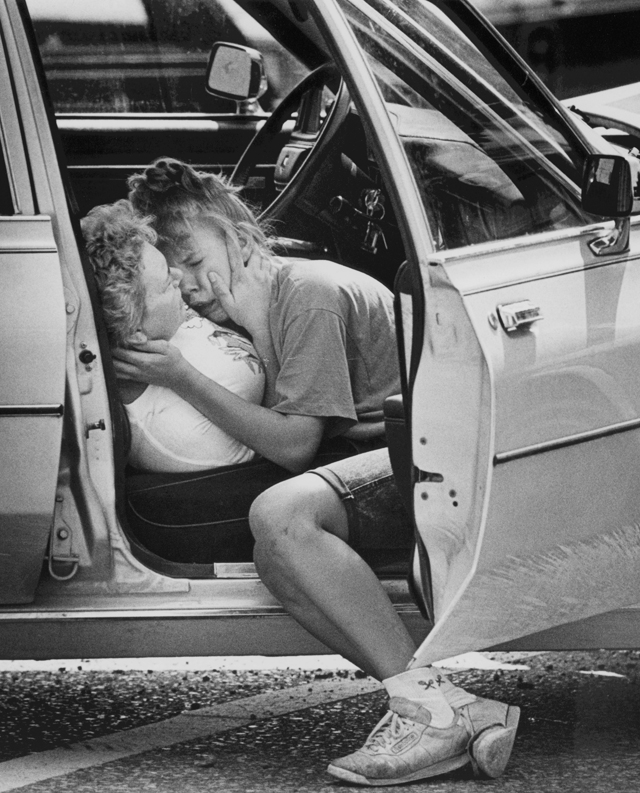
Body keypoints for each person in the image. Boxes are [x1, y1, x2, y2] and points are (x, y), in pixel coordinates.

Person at [121, 158, 520, 786]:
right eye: (179, 277)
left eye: (198, 264)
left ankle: (434, 711)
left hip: (433, 456)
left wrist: (178, 375)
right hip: (371, 454)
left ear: (236, 232)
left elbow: (296, 446)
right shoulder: (243, 308)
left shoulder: (307, 294)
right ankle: (439, 705)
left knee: (281, 515)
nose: (194, 289)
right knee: (275, 551)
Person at [83, 199, 264, 473]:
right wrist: (261, 328)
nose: (180, 277)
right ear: (136, 335)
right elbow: (282, 450)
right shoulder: (183, 437)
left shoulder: (157, 321)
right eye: (168, 281)